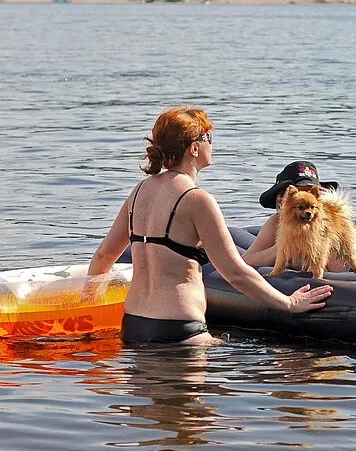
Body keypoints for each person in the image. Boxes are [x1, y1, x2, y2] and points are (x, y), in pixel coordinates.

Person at [88, 108, 333, 344]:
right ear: (194, 148)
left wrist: (89, 306)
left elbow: (104, 255)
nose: (212, 143)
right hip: (179, 331)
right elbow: (235, 272)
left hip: (133, 325)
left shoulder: (139, 192)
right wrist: (288, 303)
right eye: (209, 138)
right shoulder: (197, 200)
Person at [242, 160, 356, 273]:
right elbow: (245, 262)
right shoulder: (276, 222)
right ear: (281, 200)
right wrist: (281, 249)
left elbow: (329, 263)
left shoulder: (320, 228)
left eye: (311, 196)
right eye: (296, 196)